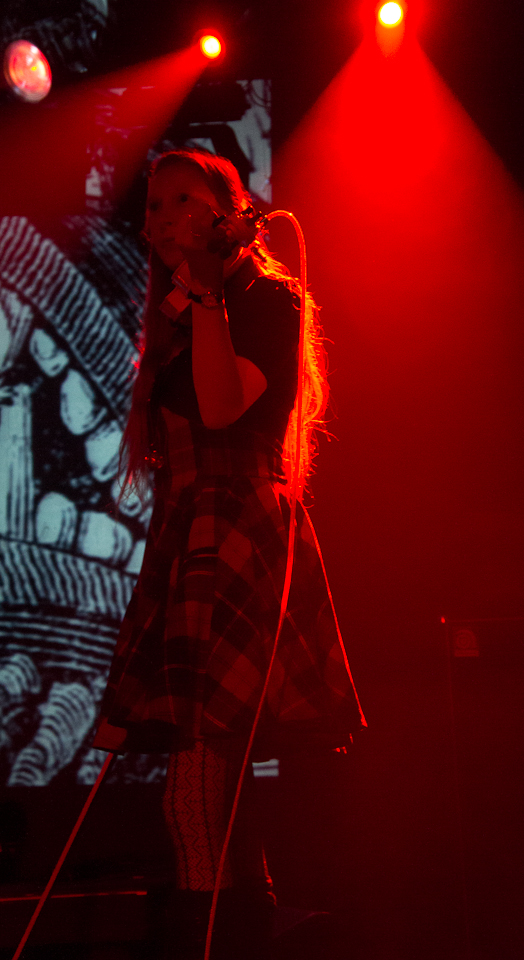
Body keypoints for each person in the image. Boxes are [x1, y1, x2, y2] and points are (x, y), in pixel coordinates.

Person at [92, 147, 366, 959]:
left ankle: (215, 939)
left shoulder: (265, 300)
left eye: (184, 199)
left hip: (239, 536)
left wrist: (210, 289)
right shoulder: (179, 313)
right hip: (190, 537)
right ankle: (250, 929)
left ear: (225, 209)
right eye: (154, 206)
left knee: (195, 793)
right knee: (217, 794)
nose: (164, 217)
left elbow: (220, 411)